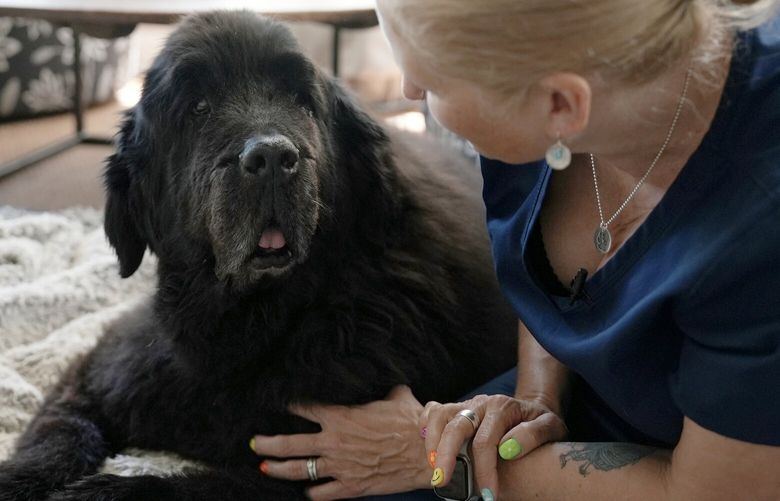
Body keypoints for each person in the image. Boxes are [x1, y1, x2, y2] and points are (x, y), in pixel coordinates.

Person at [249, 0, 780, 499]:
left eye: (431, 81)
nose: (410, 90)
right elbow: (555, 284)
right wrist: (537, 397)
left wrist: (430, 456)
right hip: (595, 409)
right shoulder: (544, 84)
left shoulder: (759, 227)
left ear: (560, 106)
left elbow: (713, 491)